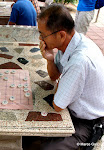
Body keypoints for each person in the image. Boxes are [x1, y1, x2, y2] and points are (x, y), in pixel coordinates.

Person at [37, 3, 104, 150]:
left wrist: (62, 84)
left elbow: (58, 105)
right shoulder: (70, 43)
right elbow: (55, 76)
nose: (41, 39)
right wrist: (49, 58)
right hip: (73, 111)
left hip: (88, 122)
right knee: (34, 129)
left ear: (61, 34)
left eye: (43, 34)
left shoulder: (79, 60)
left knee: (48, 148)